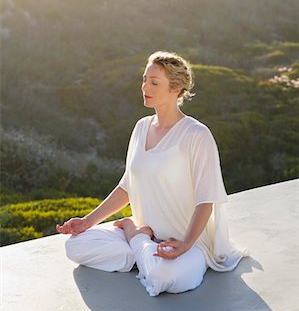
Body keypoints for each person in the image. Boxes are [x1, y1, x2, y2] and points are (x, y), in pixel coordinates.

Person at [56, 50, 250, 297]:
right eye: (145, 79)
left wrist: (186, 244)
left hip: (187, 241)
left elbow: (206, 199)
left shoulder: (197, 135)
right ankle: (143, 246)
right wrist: (87, 221)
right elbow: (127, 186)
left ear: (176, 88)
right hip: (148, 231)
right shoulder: (141, 127)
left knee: (168, 279)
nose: (145, 86)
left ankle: (137, 242)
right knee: (75, 246)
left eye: (154, 82)